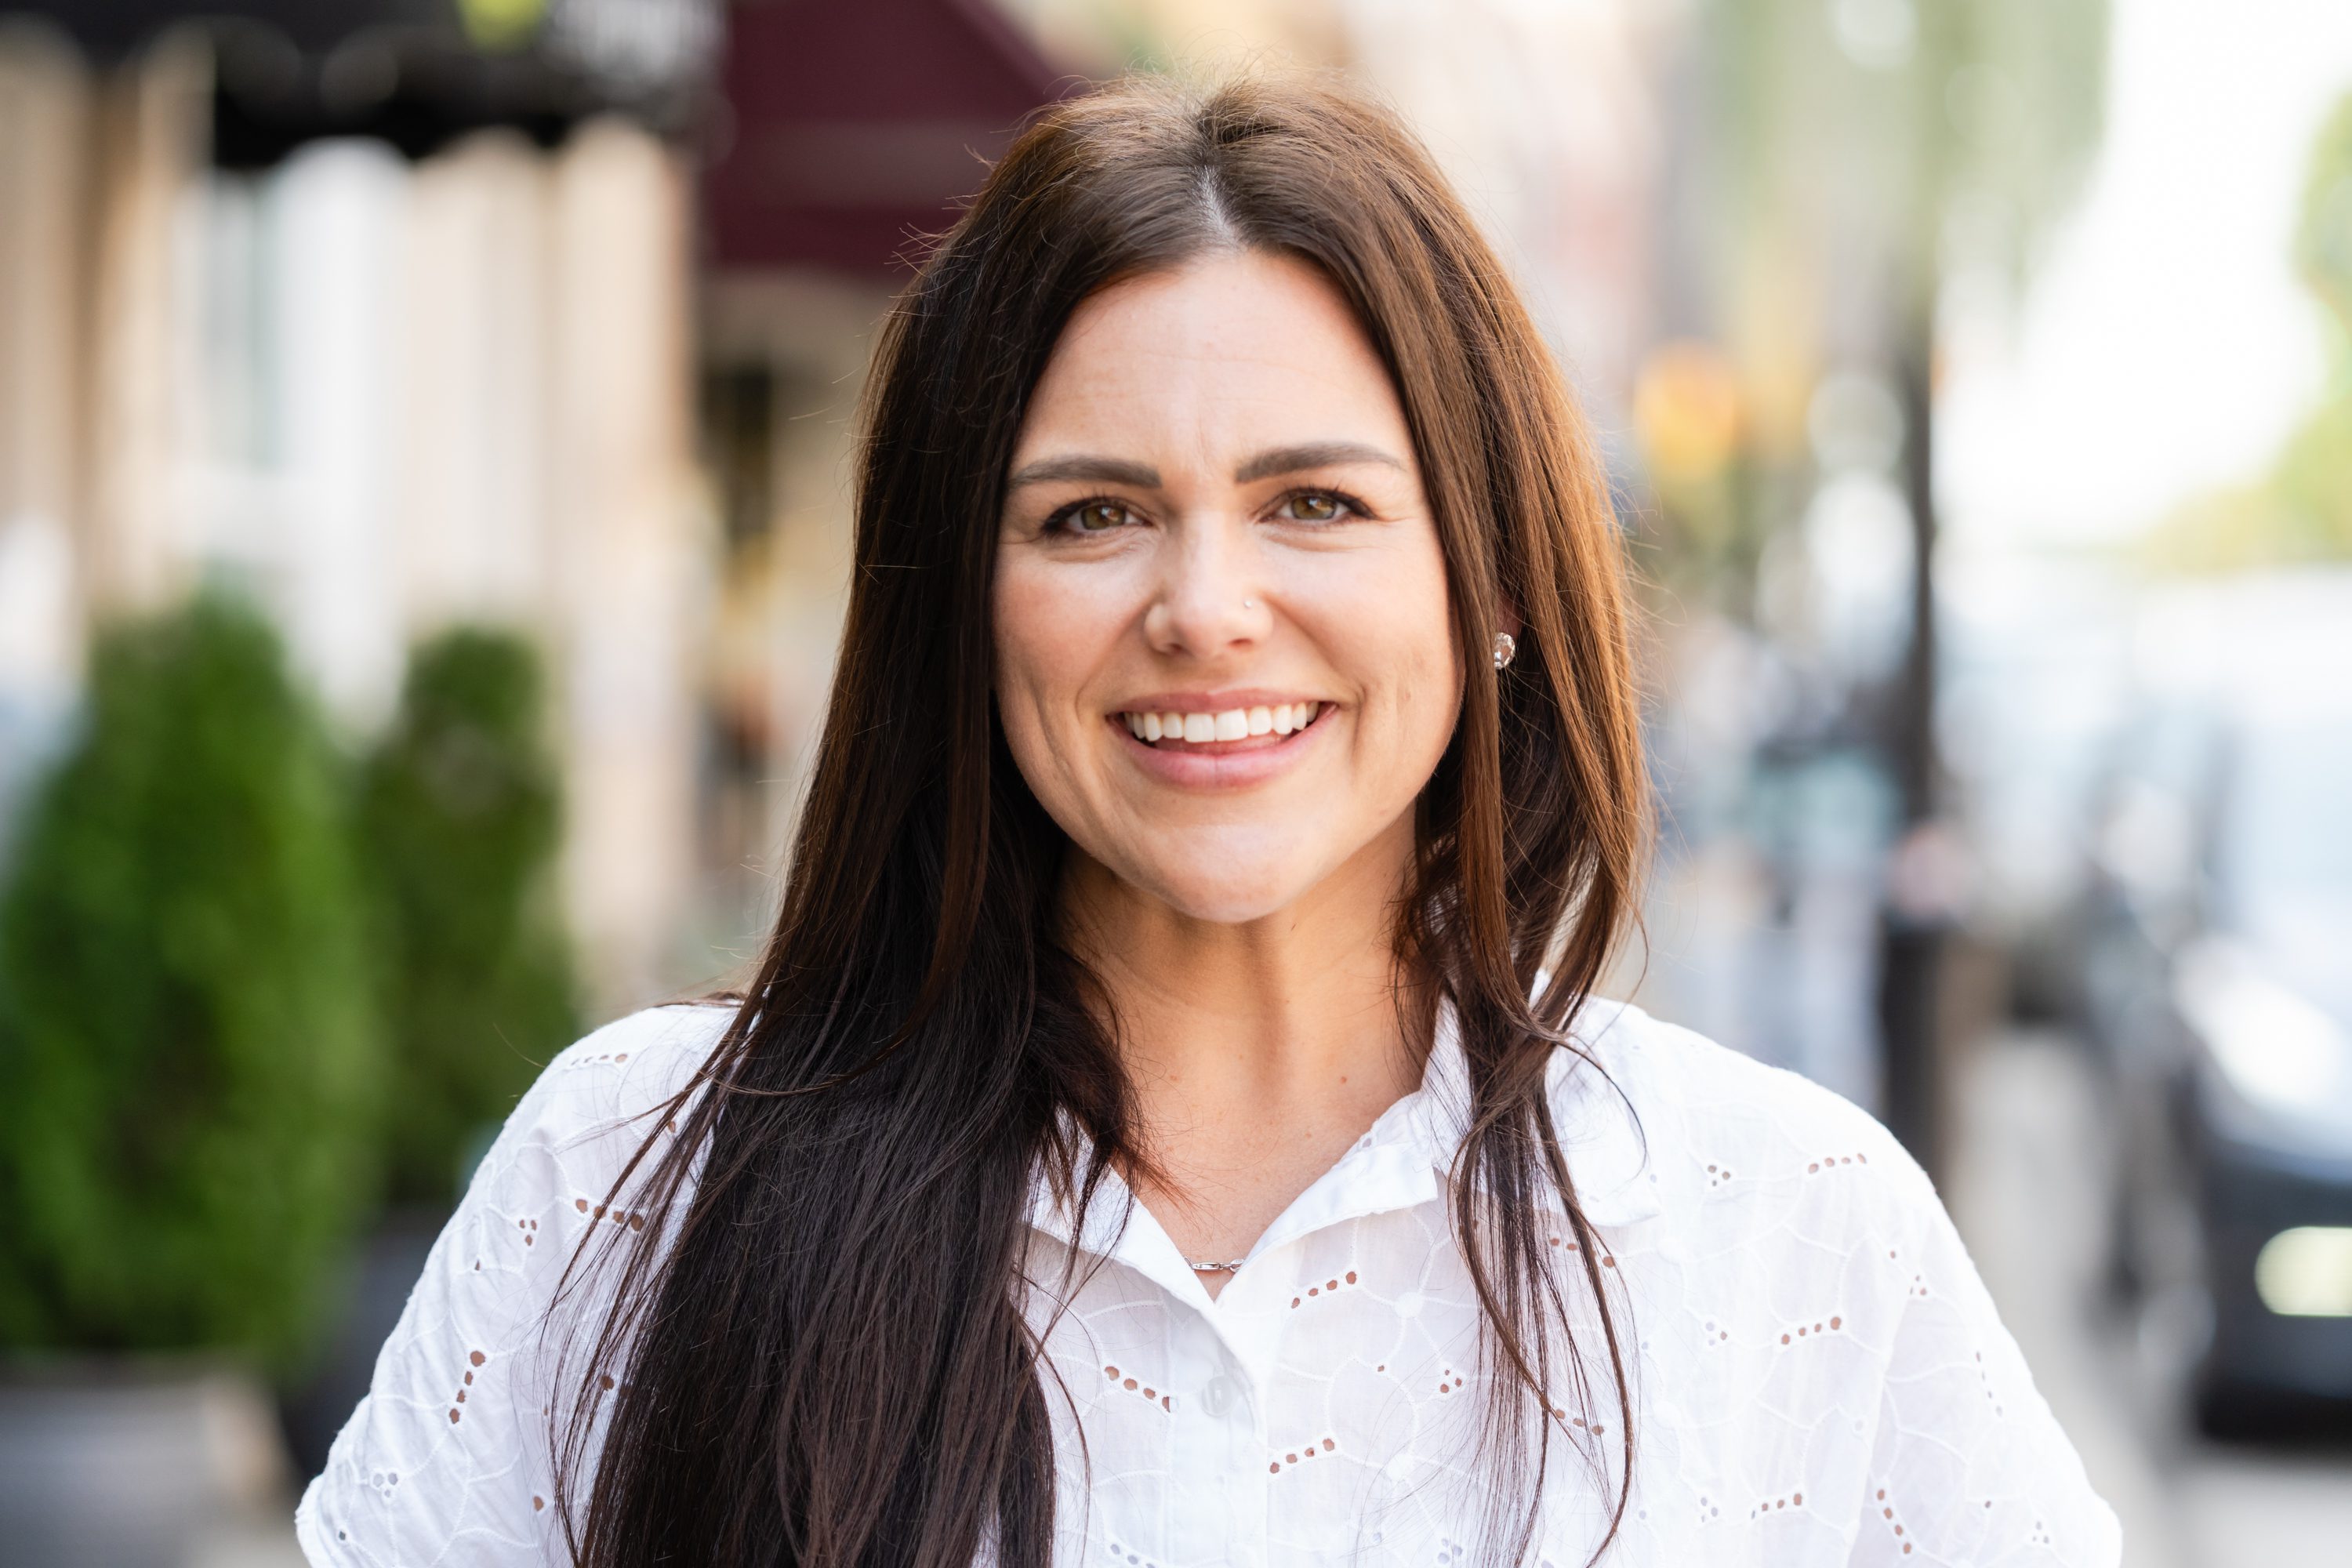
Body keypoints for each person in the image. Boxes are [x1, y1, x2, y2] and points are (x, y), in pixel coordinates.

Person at [296, 72, 2120, 1568]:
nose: (1206, 605)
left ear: (1486, 580)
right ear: (962, 598)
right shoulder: (634, 1184)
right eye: (1090, 515)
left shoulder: (1793, 1240)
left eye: (1314, 502)